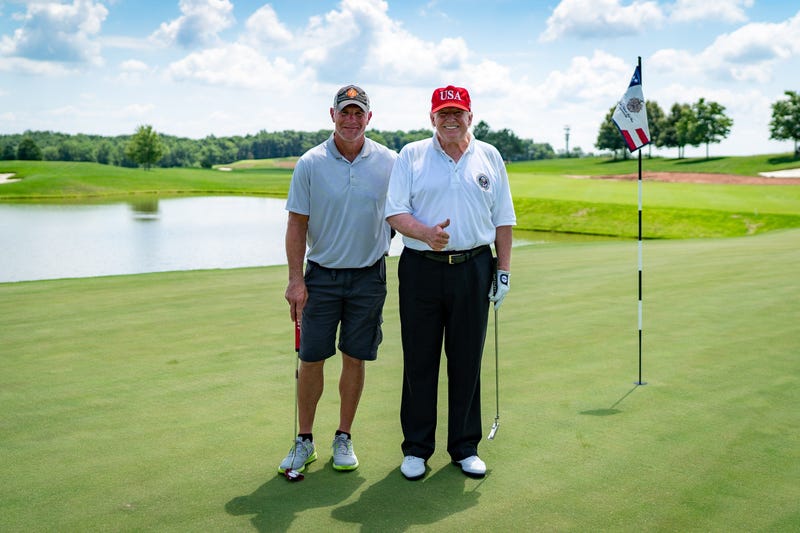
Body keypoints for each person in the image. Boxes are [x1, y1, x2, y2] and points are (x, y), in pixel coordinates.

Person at [385, 85, 515, 480]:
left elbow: (503, 219)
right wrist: (425, 233)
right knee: (419, 360)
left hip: (474, 267)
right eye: (443, 113)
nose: (451, 119)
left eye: (458, 113)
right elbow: (394, 212)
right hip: (421, 268)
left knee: (466, 360)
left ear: (470, 117)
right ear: (432, 118)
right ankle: (416, 449)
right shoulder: (412, 155)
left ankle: (464, 447)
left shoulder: (489, 155)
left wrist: (503, 271)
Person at [279, 84, 397, 476]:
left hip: (368, 277)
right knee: (311, 358)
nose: (351, 119)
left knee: (355, 356)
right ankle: (304, 440)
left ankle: (343, 436)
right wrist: (295, 280)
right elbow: (297, 224)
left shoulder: (390, 161)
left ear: (369, 117)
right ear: (332, 115)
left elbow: (401, 212)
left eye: (358, 112)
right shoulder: (310, 163)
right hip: (321, 277)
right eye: (344, 112)